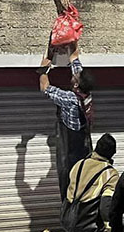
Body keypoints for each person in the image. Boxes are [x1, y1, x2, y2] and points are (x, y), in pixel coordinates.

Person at [38, 41, 95, 196]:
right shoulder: (85, 92)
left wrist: (43, 68)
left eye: (75, 76)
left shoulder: (70, 99)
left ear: (76, 84)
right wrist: (71, 35)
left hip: (71, 145)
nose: (74, 74)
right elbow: (75, 57)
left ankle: (68, 205)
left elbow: (45, 87)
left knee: (68, 177)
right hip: (84, 142)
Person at [61, 133, 120, 232]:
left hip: (66, 222)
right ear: (113, 153)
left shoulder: (79, 164)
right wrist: (113, 231)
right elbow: (105, 207)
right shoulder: (110, 173)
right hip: (89, 228)